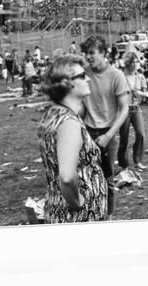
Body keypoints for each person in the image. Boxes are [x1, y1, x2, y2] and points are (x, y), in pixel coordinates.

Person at [38, 54, 107, 223]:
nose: (88, 79)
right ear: (67, 83)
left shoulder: (53, 114)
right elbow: (67, 177)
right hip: (78, 217)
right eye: (82, 76)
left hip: (60, 210)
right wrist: (78, 203)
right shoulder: (69, 122)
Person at [81, 35, 130, 216]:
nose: (88, 57)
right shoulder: (83, 74)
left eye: (92, 53)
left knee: (107, 181)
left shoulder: (116, 76)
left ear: (104, 53)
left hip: (108, 134)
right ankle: (91, 215)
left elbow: (124, 109)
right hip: (87, 132)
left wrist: (109, 135)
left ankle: (108, 219)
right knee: (86, 179)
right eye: (86, 53)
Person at [118, 52, 148, 171]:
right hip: (124, 110)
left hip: (136, 108)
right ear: (129, 63)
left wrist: (143, 94)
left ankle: (137, 160)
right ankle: (123, 164)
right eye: (135, 62)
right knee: (124, 138)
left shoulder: (140, 76)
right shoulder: (120, 76)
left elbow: (144, 93)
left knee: (140, 134)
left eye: (137, 62)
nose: (137, 64)